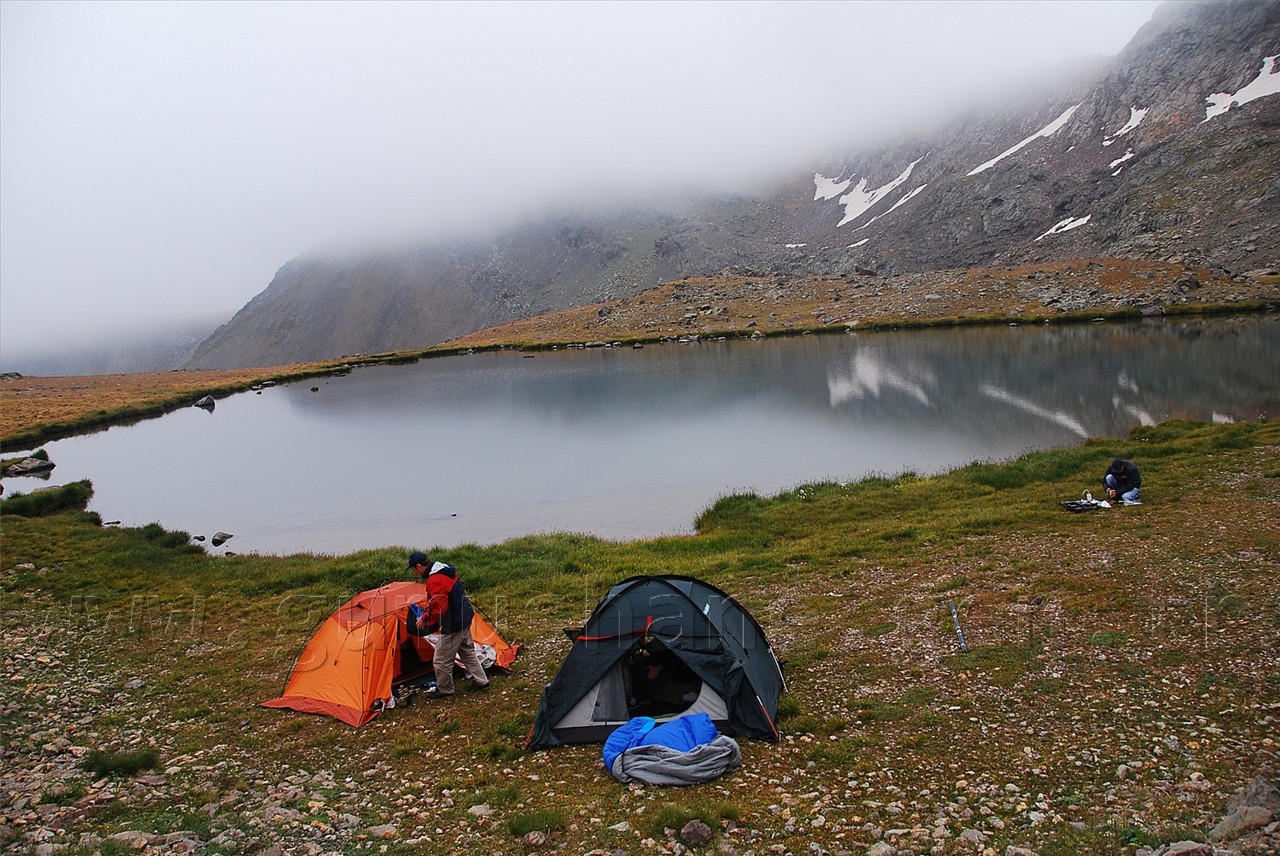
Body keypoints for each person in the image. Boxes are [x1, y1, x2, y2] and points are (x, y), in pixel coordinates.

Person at [406, 551, 490, 697]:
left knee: (440, 660)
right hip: (465, 615)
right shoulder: (445, 571)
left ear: (418, 566)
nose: (415, 573)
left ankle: (445, 689)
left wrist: (425, 619)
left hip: (454, 622)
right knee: (467, 652)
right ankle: (482, 681)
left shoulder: (435, 580)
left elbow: (439, 607)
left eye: (414, 569)